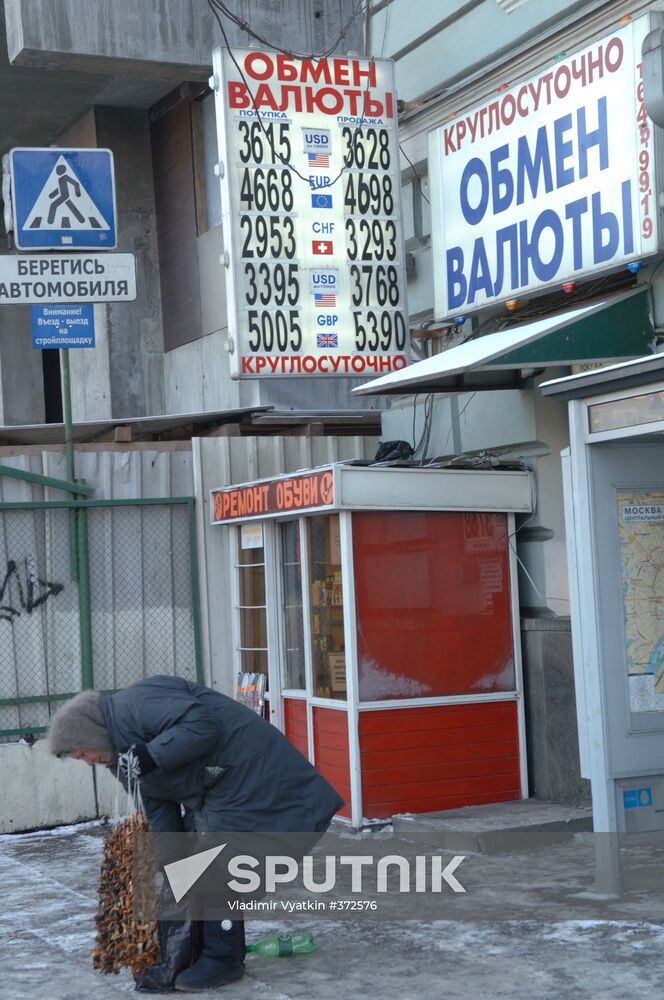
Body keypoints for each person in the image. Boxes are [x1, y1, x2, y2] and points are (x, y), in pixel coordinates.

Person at [48, 675, 343, 992]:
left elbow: (202, 724)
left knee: (219, 862)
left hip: (246, 768)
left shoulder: (137, 704)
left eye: (82, 755)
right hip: (217, 787)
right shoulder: (120, 756)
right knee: (189, 866)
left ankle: (224, 958)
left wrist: (150, 754)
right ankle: (201, 949)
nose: (88, 762)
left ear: (90, 734)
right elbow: (156, 802)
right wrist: (170, 860)